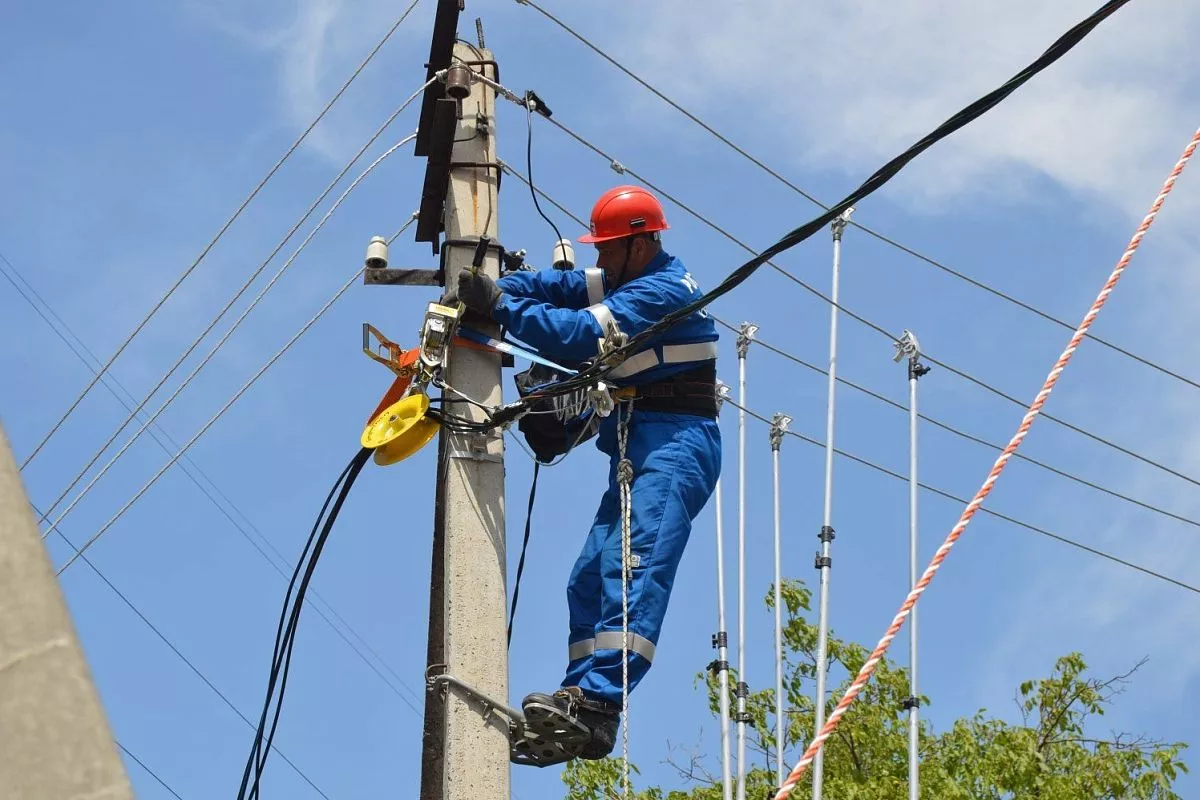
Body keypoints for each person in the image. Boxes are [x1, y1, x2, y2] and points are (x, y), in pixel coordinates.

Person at [453, 185, 722, 761]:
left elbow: (580, 338)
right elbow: (554, 288)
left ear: (641, 241)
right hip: (638, 439)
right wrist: (499, 290)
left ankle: (601, 700)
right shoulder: (622, 276)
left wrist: (498, 307)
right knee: (588, 575)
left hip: (676, 443)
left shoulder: (664, 289)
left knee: (634, 564)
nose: (597, 260)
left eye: (606, 248)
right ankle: (579, 708)